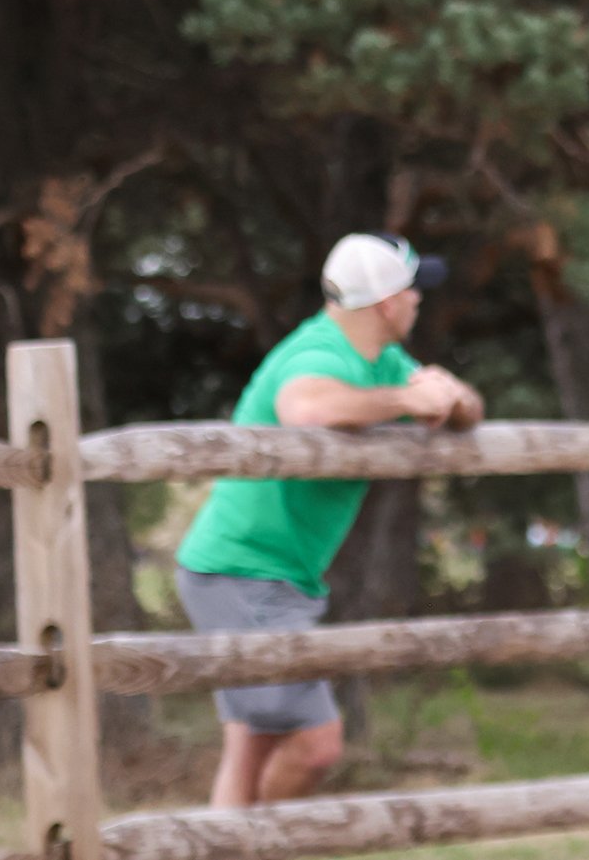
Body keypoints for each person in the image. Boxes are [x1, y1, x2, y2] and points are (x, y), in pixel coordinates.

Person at [175, 233, 482, 807]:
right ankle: (255, 852)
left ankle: (229, 848)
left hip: (269, 575)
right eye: (414, 291)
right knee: (315, 744)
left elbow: (465, 406)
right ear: (389, 303)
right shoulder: (319, 353)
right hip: (239, 573)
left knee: (252, 744)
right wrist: (406, 402)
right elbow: (306, 409)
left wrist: (449, 397)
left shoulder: (380, 360)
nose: (419, 301)